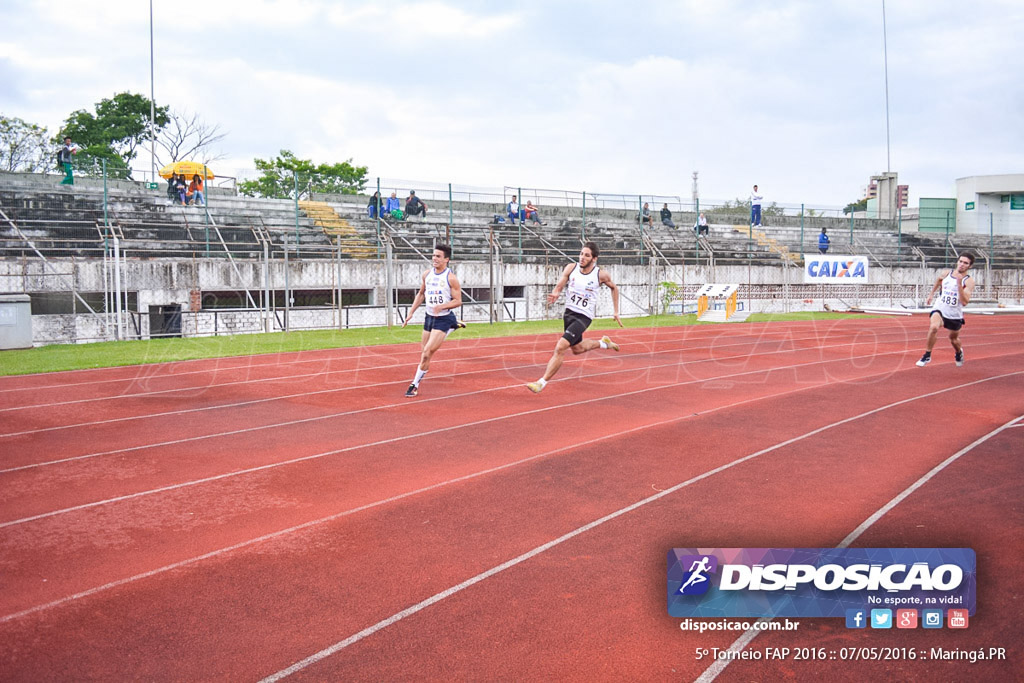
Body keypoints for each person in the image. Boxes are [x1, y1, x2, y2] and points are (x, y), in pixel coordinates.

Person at [526, 241, 623, 393]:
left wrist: (616, 311)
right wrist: (557, 292)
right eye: (581, 254)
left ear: (594, 259)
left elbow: (614, 288)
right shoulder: (571, 268)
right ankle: (604, 343)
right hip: (569, 313)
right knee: (577, 349)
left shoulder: (600, 275)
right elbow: (560, 284)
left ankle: (541, 382)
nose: (582, 257)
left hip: (584, 316)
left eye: (587, 255)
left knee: (561, 347)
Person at [402, 244, 466, 397]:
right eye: (433, 255)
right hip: (429, 317)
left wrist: (442, 306)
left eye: (438, 256)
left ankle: (414, 385)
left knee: (426, 353)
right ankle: (453, 327)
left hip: (443, 318)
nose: (434, 258)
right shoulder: (427, 275)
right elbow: (421, 294)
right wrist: (411, 313)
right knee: (424, 353)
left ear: (446, 259)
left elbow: (458, 301)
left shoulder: (451, 278)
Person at [916, 252, 976, 368]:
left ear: (970, 266)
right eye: (961, 261)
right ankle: (927, 354)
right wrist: (931, 294)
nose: (962, 265)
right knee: (933, 327)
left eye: (966, 263)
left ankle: (959, 352)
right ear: (957, 261)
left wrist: (959, 285)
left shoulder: (968, 281)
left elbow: (964, 302)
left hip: (954, 314)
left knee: (953, 339)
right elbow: (939, 280)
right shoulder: (946, 273)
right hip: (940, 307)